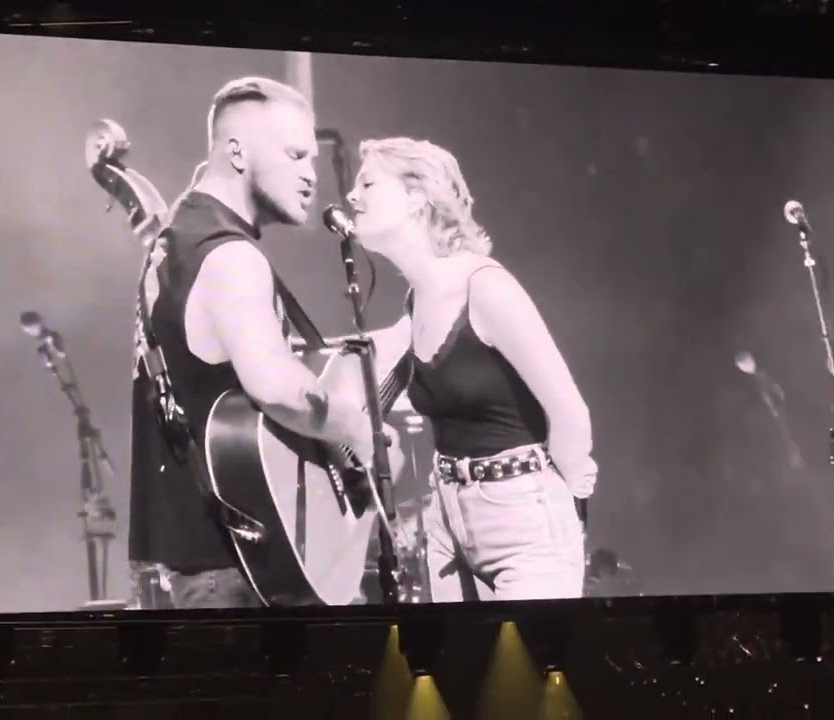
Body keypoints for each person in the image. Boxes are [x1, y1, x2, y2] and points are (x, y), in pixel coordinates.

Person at [127, 77, 397, 609]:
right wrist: (358, 429)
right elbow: (280, 390)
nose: (310, 175)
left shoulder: (176, 245)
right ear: (237, 152)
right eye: (295, 155)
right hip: (240, 575)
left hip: (208, 566)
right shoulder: (230, 257)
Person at [344, 136, 597, 601]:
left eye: (367, 183)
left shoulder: (487, 287)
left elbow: (569, 412)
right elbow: (362, 360)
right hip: (446, 519)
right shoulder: (416, 300)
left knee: (526, 669)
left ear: (417, 196)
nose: (351, 196)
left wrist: (568, 490)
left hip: (522, 519)